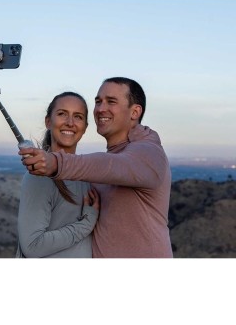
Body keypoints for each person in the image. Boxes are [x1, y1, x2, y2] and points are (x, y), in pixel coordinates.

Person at [19, 77, 173, 258]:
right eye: (98, 102)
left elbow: (113, 166)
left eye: (111, 101)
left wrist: (55, 162)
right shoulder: (95, 174)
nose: (100, 109)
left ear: (134, 112)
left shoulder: (149, 153)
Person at [17, 91, 100, 258]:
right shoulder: (39, 177)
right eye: (62, 114)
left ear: (85, 127)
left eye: (78, 117)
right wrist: (85, 224)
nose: (70, 123)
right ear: (48, 121)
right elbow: (32, 246)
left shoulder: (86, 175)